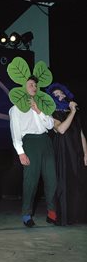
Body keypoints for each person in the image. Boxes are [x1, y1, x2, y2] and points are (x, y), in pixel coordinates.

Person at [9, 75, 58, 227]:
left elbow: (50, 125)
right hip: (29, 142)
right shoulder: (15, 108)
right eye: (31, 84)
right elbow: (15, 131)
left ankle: (52, 212)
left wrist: (38, 110)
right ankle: (26, 214)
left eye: (35, 85)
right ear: (23, 86)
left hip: (45, 141)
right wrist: (20, 152)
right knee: (31, 180)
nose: (34, 87)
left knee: (52, 178)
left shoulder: (42, 105)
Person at [46, 83, 87, 225]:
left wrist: (86, 154)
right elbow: (61, 129)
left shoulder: (73, 113)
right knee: (64, 184)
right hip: (64, 154)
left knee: (79, 183)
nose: (60, 96)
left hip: (77, 153)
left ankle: (79, 216)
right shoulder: (54, 114)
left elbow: (81, 135)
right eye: (56, 95)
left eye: (61, 93)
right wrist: (72, 113)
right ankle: (64, 217)